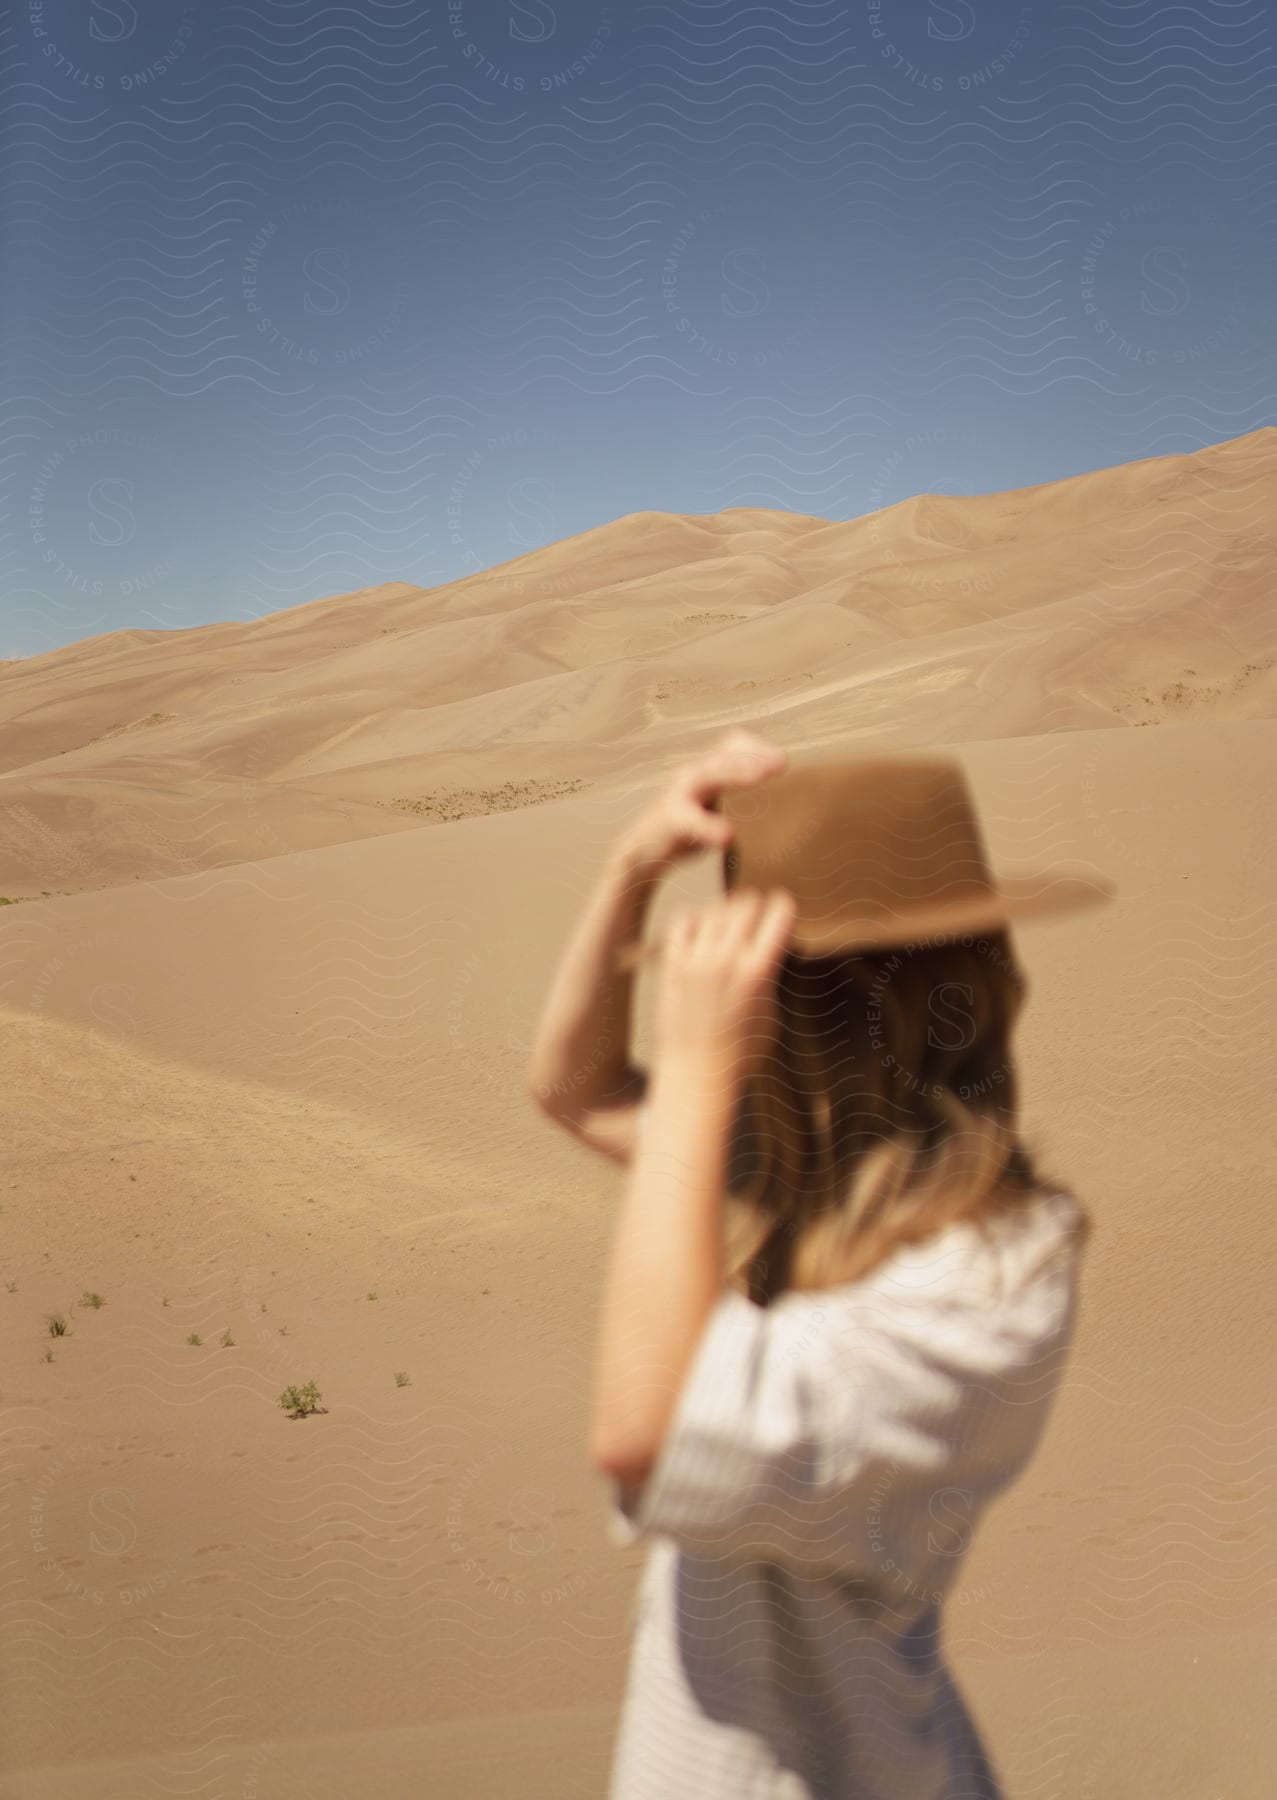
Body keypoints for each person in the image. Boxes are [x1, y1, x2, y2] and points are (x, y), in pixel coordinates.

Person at [526, 727, 1116, 1800]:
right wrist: (628, 872)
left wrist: (702, 1078)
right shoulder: (795, 1174)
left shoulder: (1000, 1269)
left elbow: (642, 1440)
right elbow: (579, 1089)